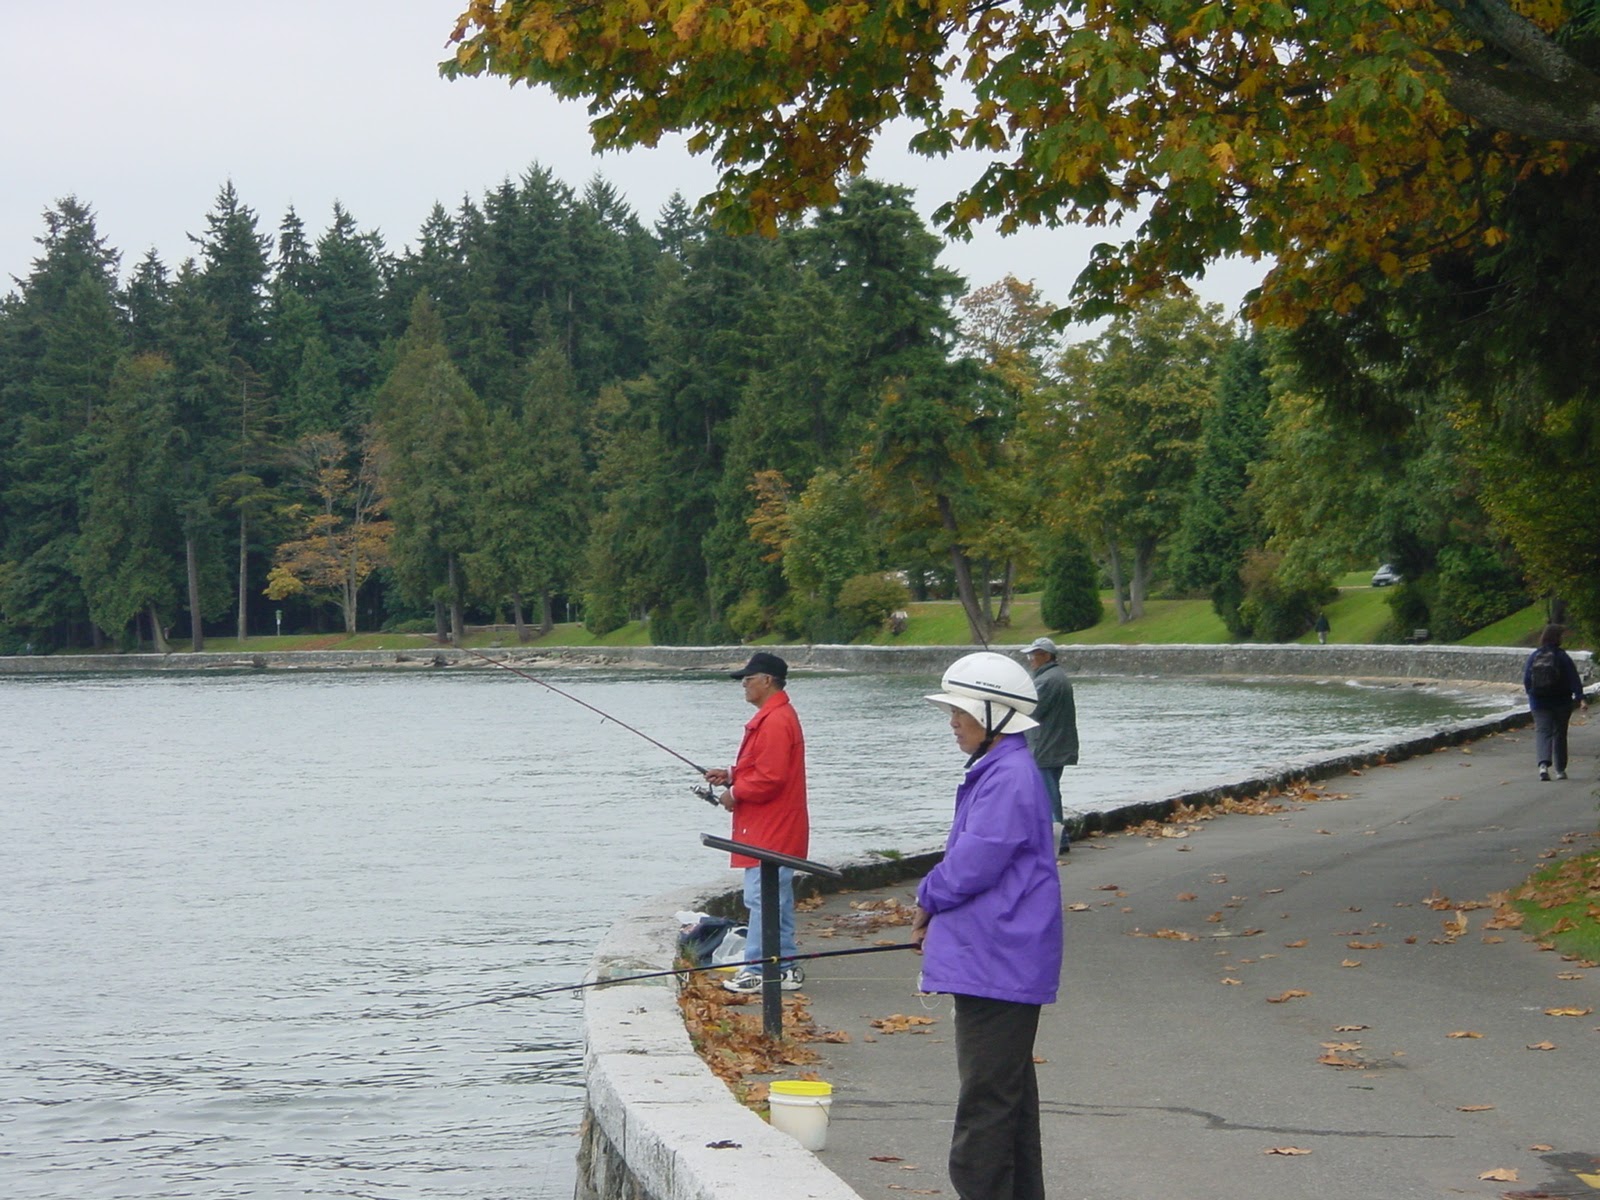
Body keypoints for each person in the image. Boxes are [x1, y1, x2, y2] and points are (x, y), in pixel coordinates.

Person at [912, 651, 1063, 1200]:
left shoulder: (1008, 776)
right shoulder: (1002, 769)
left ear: (995, 715)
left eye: (961, 711)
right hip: (999, 956)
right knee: (1008, 1097)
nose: (952, 721)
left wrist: (925, 898)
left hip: (999, 957)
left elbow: (974, 862)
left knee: (986, 1102)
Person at [702, 651, 809, 994]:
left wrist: (736, 793)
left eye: (748, 679)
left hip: (771, 828)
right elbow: (765, 767)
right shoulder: (776, 716)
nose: (744, 686)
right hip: (774, 825)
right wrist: (732, 774)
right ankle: (785, 965)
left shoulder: (776, 720)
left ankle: (760, 969)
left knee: (762, 898)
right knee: (773, 897)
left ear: (767, 680)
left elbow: (771, 778)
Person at [1020, 636, 1079, 855]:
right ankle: (1053, 837)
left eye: (1033, 655)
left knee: (1048, 794)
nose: (1030, 660)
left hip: (1046, 746)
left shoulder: (1047, 681)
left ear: (1045, 656)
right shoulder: (1055, 676)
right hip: (1056, 745)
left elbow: (1031, 711)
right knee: (1049, 791)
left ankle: (1058, 840)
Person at [1523, 625, 1588, 781]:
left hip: (1539, 702)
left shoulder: (1535, 656)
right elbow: (1574, 679)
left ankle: (1543, 766)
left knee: (1543, 731)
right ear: (1557, 638)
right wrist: (1581, 698)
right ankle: (1560, 770)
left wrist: (1533, 695)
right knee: (1560, 734)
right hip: (1561, 701)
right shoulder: (1562, 656)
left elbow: (1527, 680)